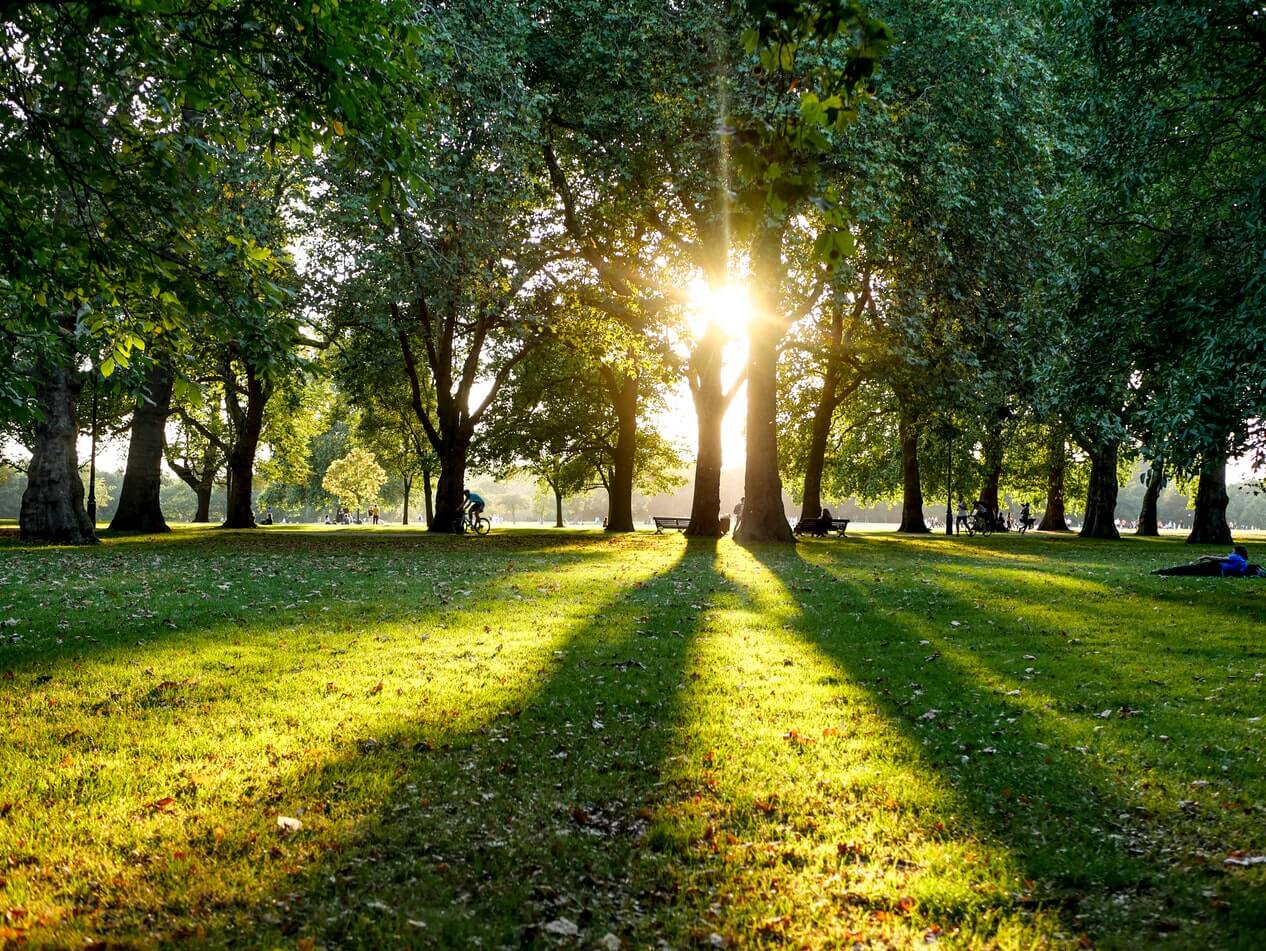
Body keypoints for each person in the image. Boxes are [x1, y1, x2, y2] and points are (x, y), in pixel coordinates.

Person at [1153, 545, 1251, 577]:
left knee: (1189, 569)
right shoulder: (1243, 562)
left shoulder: (1236, 558)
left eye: (1232, 551)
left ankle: (1163, 571)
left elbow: (1222, 559)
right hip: (1218, 571)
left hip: (1215, 568)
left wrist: (1206, 556)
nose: (1231, 553)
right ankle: (1165, 571)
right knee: (1191, 570)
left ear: (1237, 552)